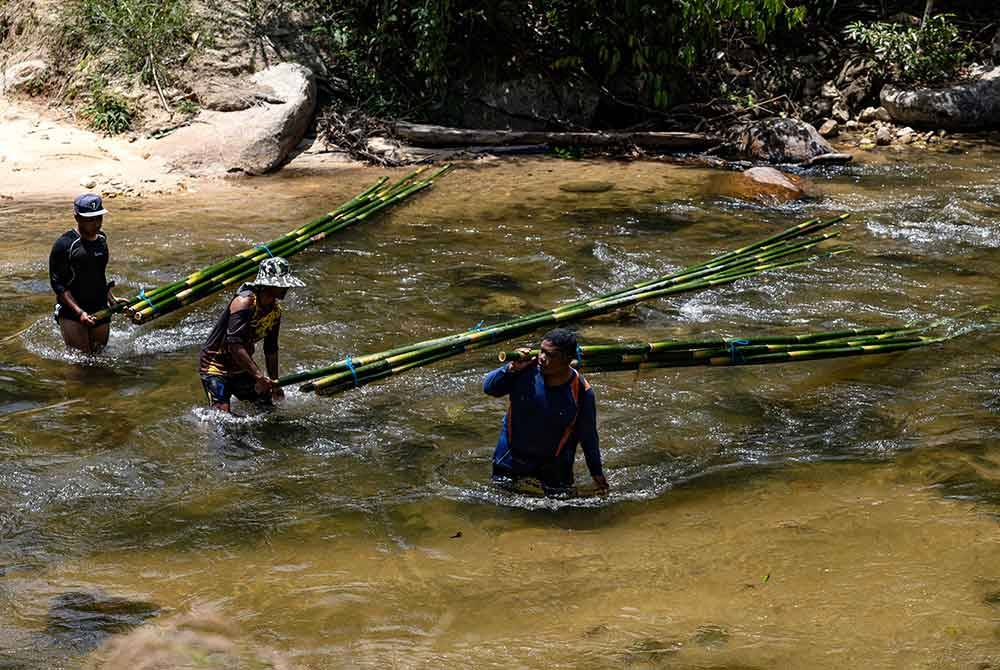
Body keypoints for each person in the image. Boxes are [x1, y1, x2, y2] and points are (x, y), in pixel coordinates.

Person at [484, 328, 609, 495]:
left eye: (550, 355)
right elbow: (489, 388)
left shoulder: (581, 392)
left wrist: (596, 473)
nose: (542, 358)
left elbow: (588, 436)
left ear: (568, 359)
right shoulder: (524, 371)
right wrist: (510, 368)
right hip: (510, 457)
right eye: (541, 351)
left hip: (554, 464)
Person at [198, 257, 304, 413]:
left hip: (240, 367)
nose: (287, 287)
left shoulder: (275, 312)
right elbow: (234, 345)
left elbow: (271, 349)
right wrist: (259, 377)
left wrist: (274, 383)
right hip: (215, 366)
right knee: (221, 417)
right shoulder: (244, 302)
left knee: (267, 407)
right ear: (267, 284)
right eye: (282, 284)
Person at [48, 193, 121, 354]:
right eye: (89, 219)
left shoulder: (102, 239)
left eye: (98, 218)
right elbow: (58, 284)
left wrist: (110, 297)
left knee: (98, 357)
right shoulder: (65, 245)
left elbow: (98, 273)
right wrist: (79, 312)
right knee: (81, 362)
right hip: (71, 311)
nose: (95, 224)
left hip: (99, 307)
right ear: (77, 217)